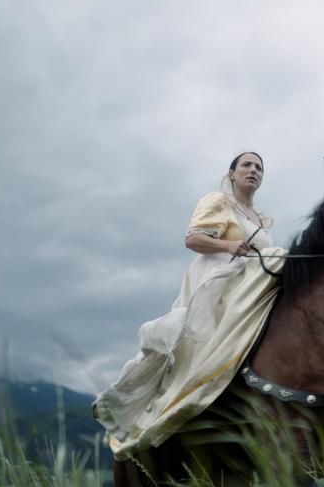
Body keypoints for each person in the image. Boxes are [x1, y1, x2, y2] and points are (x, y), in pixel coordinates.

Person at [95, 152, 274, 444]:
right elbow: (192, 239)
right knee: (206, 348)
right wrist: (230, 244)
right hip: (222, 280)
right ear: (232, 174)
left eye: (259, 167)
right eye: (246, 165)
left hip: (253, 282)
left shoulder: (261, 219)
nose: (253, 170)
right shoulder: (218, 201)